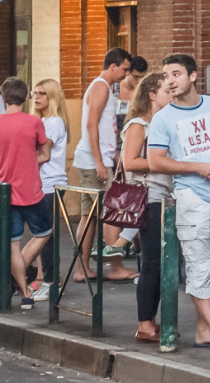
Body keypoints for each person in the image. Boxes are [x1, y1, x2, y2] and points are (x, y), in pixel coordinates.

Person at [144, 54, 210, 351]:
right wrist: (196, 167)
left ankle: (202, 328)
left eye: (176, 74)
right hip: (190, 196)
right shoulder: (163, 119)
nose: (170, 81)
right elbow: (155, 161)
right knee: (199, 266)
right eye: (166, 76)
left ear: (194, 76)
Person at [117, 71, 171, 340]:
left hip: (166, 197)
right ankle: (145, 324)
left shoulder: (164, 123)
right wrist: (163, 163)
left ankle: (151, 320)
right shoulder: (140, 124)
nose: (171, 94)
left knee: (162, 263)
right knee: (152, 262)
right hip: (148, 198)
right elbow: (129, 163)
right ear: (152, 94)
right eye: (165, 90)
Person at [71, 48, 133, 271]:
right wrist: (100, 161)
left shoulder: (104, 87)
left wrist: (113, 157)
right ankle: (113, 267)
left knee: (91, 217)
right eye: (124, 69)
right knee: (111, 213)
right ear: (113, 65)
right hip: (93, 161)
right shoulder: (101, 86)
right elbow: (92, 124)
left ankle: (83, 268)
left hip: (96, 159)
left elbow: (103, 128)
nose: (126, 74)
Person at [0, 77, 53, 311]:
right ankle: (22, 281)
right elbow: (45, 153)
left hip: (5, 193)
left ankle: (25, 292)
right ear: (26, 98)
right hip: (31, 190)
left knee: (11, 245)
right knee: (44, 232)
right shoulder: (34, 123)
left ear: (3, 98)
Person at [25, 80, 69, 300]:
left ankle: (51, 282)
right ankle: (46, 278)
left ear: (52, 97)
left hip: (50, 184)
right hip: (41, 183)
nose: (37, 97)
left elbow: (42, 152)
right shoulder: (41, 120)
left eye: (42, 93)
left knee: (47, 236)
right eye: (35, 93)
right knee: (42, 235)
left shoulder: (53, 122)